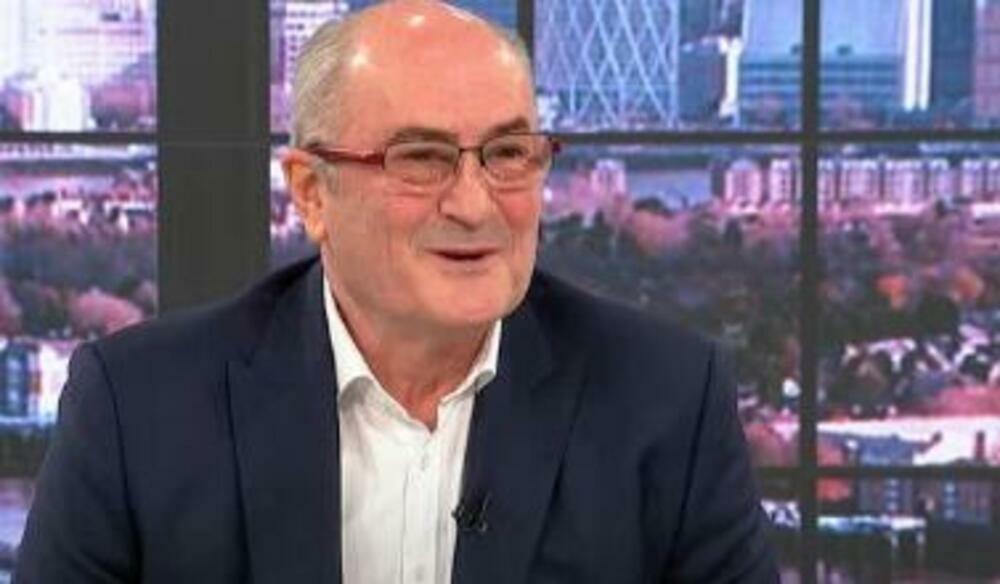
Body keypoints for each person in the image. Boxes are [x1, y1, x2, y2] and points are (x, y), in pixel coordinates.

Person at [15, 1, 778, 582]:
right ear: (312, 192)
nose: (475, 204)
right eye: (421, 159)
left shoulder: (665, 401)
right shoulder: (138, 407)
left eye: (508, 153)